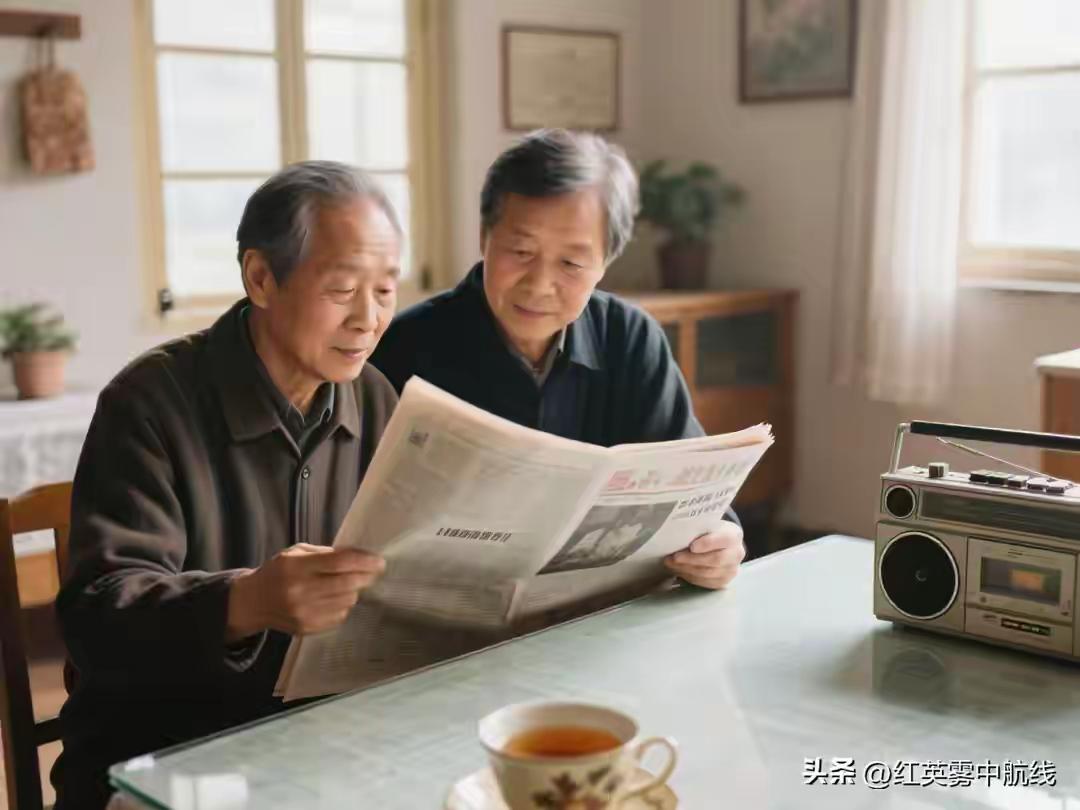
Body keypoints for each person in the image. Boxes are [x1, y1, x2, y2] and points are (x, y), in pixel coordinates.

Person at [52, 161, 401, 810]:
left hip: (317, 748)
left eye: (385, 290)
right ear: (261, 278)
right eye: (342, 289)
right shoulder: (149, 403)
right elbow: (98, 619)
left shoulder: (376, 399)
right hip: (161, 761)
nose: (368, 318)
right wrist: (247, 601)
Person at [370, 130, 745, 591]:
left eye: (571, 263)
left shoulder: (629, 337)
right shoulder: (404, 347)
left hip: (600, 614)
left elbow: (696, 498)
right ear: (484, 237)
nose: (539, 284)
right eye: (521, 252)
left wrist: (719, 543)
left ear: (605, 263)